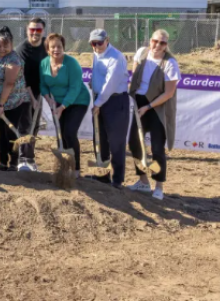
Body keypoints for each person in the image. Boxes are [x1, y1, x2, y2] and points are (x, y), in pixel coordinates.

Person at [127, 29, 180, 200]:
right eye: (155, 41)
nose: (157, 45)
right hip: (139, 104)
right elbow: (135, 78)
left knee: (157, 149)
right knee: (134, 143)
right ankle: (143, 181)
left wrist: (148, 106)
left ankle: (158, 186)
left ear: (166, 46)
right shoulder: (142, 53)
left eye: (162, 43)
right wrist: (134, 99)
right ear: (150, 41)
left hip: (158, 108)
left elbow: (169, 93)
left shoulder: (170, 63)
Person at [39, 33, 90, 177]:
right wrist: (49, 101)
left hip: (78, 101)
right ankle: (66, 167)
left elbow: (74, 88)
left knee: (69, 132)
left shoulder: (71, 63)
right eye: (53, 47)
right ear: (48, 49)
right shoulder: (44, 64)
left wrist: (62, 107)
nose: (56, 49)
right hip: (57, 102)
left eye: (59, 46)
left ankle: (76, 169)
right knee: (61, 135)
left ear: (63, 47)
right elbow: (43, 85)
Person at [0, 26, 31, 171]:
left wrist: (1, 104)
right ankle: (2, 162)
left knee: (10, 132)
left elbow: (9, 83)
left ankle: (13, 163)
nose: (2, 48)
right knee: (2, 132)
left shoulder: (14, 59)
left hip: (13, 102)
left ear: (11, 44)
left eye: (6, 45)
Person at [88, 28, 130, 189]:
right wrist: (94, 83)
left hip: (115, 101)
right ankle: (102, 175)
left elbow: (110, 84)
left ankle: (117, 179)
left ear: (107, 40)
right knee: (100, 140)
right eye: (93, 43)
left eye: (100, 42)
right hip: (100, 98)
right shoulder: (95, 54)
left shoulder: (116, 57)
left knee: (116, 142)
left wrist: (98, 103)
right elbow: (99, 75)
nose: (97, 46)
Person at [15, 17, 48, 153]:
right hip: (23, 90)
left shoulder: (47, 45)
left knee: (35, 125)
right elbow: (23, 77)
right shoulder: (22, 49)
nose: (35, 32)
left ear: (43, 30)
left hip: (38, 89)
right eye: (32, 29)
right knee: (26, 124)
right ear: (27, 30)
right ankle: (23, 157)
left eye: (38, 29)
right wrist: (33, 99)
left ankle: (30, 155)